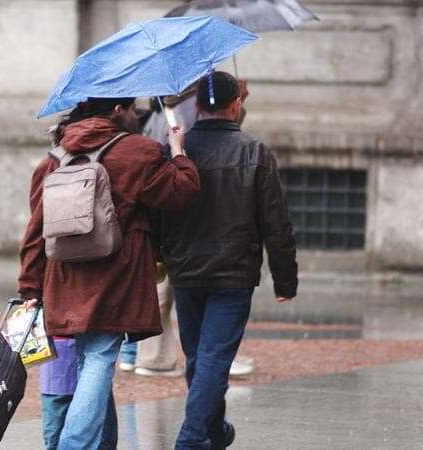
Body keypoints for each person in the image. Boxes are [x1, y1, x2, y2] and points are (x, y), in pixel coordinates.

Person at [19, 97, 201, 449]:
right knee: (100, 359)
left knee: (91, 359)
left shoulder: (54, 158)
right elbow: (184, 192)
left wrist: (30, 287)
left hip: (65, 278)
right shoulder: (137, 152)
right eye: (132, 107)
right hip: (117, 276)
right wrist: (178, 150)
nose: (136, 113)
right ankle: (75, 445)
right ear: (117, 110)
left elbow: (35, 232)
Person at [162, 71, 298, 450]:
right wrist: (285, 280)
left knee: (200, 359)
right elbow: (276, 222)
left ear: (197, 107)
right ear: (236, 105)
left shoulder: (177, 150)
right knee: (212, 359)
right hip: (233, 274)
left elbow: (160, 212)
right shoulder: (254, 152)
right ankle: (190, 440)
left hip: (187, 270)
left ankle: (214, 432)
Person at [120, 80, 255, 379]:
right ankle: (205, 355)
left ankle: (150, 355)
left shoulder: (161, 103)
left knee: (163, 283)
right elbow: (213, 136)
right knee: (181, 285)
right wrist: (234, 103)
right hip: (183, 202)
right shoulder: (185, 102)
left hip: (167, 203)